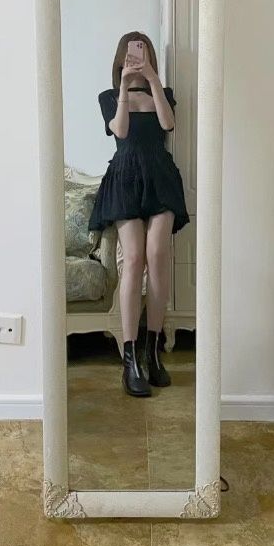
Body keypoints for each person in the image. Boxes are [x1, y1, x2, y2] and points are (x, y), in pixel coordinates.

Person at [88, 31, 190, 397]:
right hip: (125, 179)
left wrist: (151, 79)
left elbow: (168, 124)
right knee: (133, 259)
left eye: (142, 52)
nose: (136, 57)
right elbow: (120, 129)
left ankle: (153, 349)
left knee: (158, 255)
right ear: (121, 58)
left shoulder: (163, 92)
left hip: (160, 178)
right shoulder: (109, 97)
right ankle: (130, 358)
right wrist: (125, 87)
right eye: (131, 53)